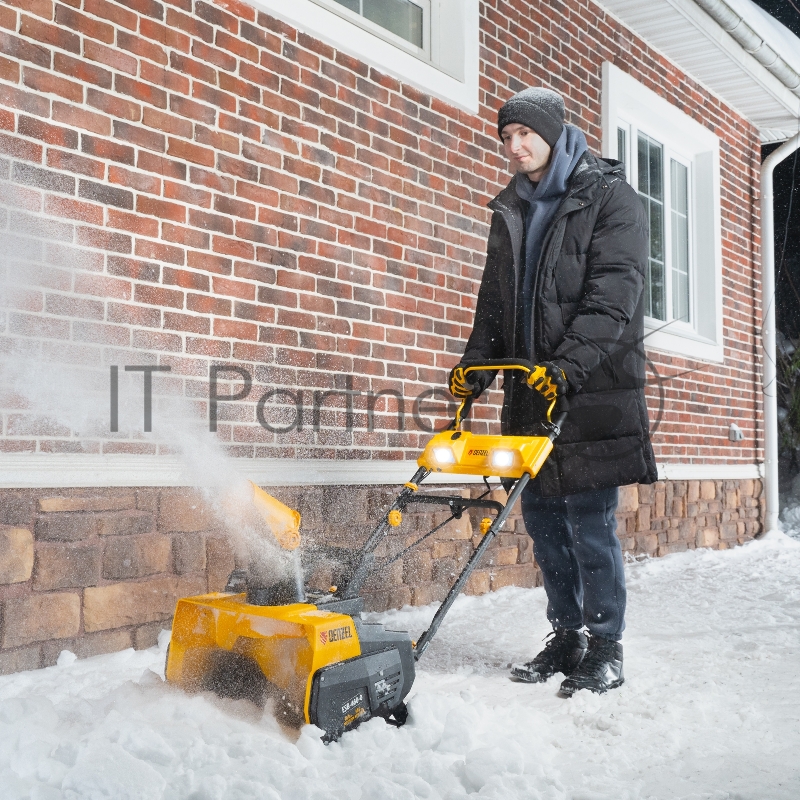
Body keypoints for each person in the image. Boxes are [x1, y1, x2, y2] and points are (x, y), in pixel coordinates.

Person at [448, 87, 657, 696]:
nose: (514, 147)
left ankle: (606, 647)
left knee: (590, 524)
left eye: (523, 134)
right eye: (505, 137)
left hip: (590, 390)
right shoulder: (509, 208)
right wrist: (475, 369)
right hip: (528, 395)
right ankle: (565, 638)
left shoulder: (611, 198)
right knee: (544, 523)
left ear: (553, 131)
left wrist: (566, 366)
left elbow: (613, 295)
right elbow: (495, 306)